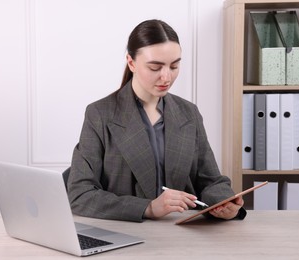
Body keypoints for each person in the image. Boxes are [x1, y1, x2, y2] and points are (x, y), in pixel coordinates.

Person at [67, 19, 246, 222]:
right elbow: (80, 195)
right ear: (131, 62)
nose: (166, 77)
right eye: (155, 67)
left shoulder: (189, 113)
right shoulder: (100, 114)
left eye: (174, 66)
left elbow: (211, 181)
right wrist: (148, 208)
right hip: (124, 232)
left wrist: (225, 202)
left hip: (182, 233)